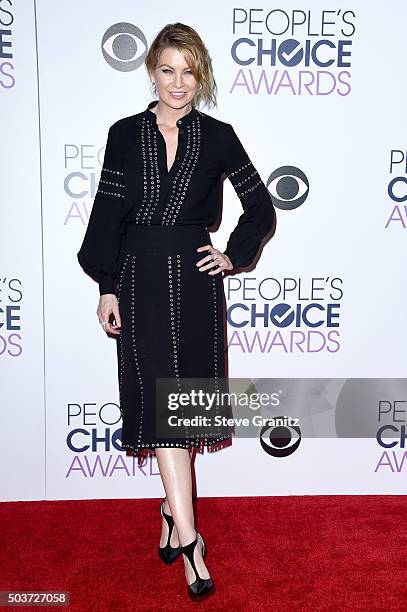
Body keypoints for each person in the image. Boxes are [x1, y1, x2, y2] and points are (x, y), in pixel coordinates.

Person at [77, 22, 276, 601]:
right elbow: (107, 215)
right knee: (163, 408)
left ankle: (170, 508)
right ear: (151, 72)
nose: (179, 83)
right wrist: (107, 286)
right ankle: (190, 539)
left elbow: (260, 205)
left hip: (193, 285)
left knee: (182, 411)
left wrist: (233, 256)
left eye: (189, 71)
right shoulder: (123, 134)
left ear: (201, 75)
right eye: (168, 69)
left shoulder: (218, 136)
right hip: (137, 279)